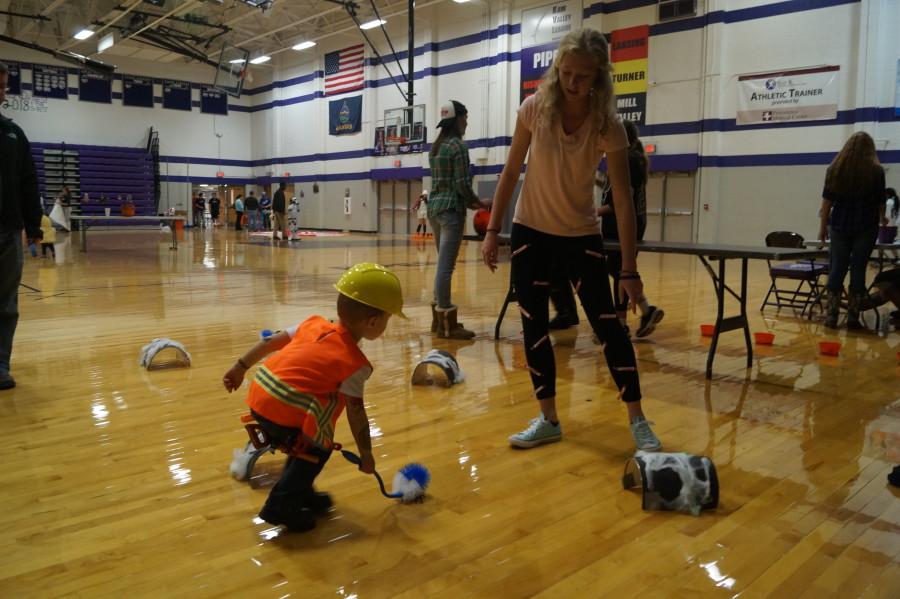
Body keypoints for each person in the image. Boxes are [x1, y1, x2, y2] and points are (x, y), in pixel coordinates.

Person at [480, 28, 662, 452]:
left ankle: (637, 418)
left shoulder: (608, 127)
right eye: (566, 73)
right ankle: (548, 419)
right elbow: (510, 172)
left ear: (599, 78)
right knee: (533, 326)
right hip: (530, 231)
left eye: (583, 75)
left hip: (580, 236)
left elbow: (621, 200)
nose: (573, 82)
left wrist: (630, 270)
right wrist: (493, 231)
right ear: (556, 69)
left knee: (609, 329)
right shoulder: (533, 110)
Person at [222, 263, 406, 531]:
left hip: (259, 394)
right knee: (317, 447)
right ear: (373, 322)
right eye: (388, 318)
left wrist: (240, 367)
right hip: (281, 408)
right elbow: (356, 412)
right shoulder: (354, 363)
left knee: (303, 442)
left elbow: (269, 342)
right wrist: (366, 453)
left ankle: (300, 492)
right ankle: (282, 504)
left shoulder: (313, 323)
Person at [547, 121, 665, 339]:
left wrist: (588, 214)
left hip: (621, 224)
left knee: (620, 272)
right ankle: (646, 310)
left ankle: (620, 324)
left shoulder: (627, 160)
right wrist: (595, 179)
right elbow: (612, 191)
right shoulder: (631, 158)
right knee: (618, 271)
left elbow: (618, 203)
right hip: (629, 223)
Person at [428, 99, 488, 339]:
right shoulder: (458, 147)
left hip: (434, 210)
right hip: (451, 211)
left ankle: (438, 322)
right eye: (465, 117)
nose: (467, 122)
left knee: (441, 266)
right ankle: (448, 325)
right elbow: (462, 185)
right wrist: (478, 203)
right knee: (446, 268)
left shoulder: (437, 147)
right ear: (457, 119)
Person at [0, 61, 43, 390]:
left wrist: (34, 228)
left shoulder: (14, 134)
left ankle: (0, 364)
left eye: (3, 87)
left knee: (6, 303)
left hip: (8, 231)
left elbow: (29, 184)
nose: (2, 93)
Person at [818, 132, 887, 329]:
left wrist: (823, 227)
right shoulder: (876, 171)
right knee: (858, 269)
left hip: (839, 224)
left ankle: (831, 315)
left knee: (837, 268)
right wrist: (882, 218)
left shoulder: (835, 169)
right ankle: (853, 317)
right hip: (866, 225)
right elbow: (880, 202)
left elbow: (827, 203)